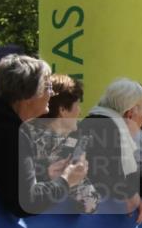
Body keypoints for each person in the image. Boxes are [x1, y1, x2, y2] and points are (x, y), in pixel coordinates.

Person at [0, 55, 88, 215]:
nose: (51, 94)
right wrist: (66, 181)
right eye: (47, 87)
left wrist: (45, 175)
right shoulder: (9, 133)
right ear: (29, 96)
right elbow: (26, 203)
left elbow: (8, 180)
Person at [26, 74, 101, 213]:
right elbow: (90, 202)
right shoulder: (60, 148)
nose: (80, 111)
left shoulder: (22, 132)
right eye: (77, 105)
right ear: (63, 110)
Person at [76, 78, 142, 223]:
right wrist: (132, 197)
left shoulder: (91, 121)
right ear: (130, 114)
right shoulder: (109, 127)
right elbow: (109, 177)